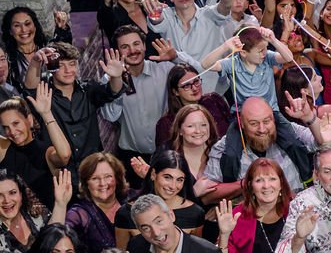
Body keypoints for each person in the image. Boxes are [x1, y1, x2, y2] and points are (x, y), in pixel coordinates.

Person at [101, 26, 202, 180]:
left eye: (136, 44)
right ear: (117, 51)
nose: (132, 50)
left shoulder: (163, 69)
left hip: (167, 153)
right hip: (132, 157)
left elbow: (197, 73)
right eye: (124, 47)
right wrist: (118, 81)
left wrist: (175, 57)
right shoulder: (110, 79)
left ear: (144, 45)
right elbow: (110, 116)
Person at [23, 42, 125, 179]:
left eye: (72, 64)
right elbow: (30, 88)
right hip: (63, 174)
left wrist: (116, 77)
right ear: (51, 67)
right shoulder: (44, 96)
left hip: (93, 170)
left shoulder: (88, 90)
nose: (68, 70)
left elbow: (113, 91)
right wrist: (35, 61)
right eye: (61, 65)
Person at [115, 151, 204, 248]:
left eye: (179, 180)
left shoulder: (195, 213)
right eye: (167, 177)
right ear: (153, 174)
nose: (173, 186)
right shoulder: (126, 213)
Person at [0, 88, 72, 207]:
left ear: (29, 120)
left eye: (16, 123)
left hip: (53, 219)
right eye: (6, 127)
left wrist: (46, 114)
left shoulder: (45, 152)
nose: (12, 131)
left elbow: (64, 155)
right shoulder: (4, 148)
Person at [65, 153, 128, 253]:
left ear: (117, 178)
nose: (102, 183)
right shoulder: (79, 213)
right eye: (95, 178)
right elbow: (57, 237)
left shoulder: (131, 201)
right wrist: (60, 204)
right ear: (86, 184)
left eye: (108, 176)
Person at [153, 65, 231, 149]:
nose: (194, 88)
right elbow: (164, 157)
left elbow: (233, 130)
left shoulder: (214, 101)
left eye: (196, 82)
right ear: (175, 92)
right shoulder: (166, 123)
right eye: (186, 86)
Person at [0, 170, 71, 253]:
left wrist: (60, 204)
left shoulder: (35, 211)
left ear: (21, 194)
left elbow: (54, 237)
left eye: (12, 193)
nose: (7, 200)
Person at [1, 7, 72, 92]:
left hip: (59, 99)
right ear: (10, 31)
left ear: (35, 26)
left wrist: (62, 28)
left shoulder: (48, 48)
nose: (24, 30)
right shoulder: (8, 59)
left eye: (27, 24)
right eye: (17, 25)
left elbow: (66, 51)